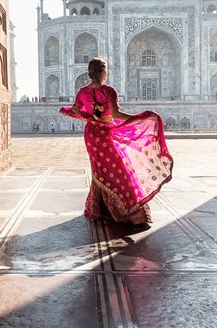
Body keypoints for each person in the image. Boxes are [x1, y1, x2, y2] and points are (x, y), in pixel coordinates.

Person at [59, 57, 173, 226]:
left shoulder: (82, 92)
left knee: (101, 171)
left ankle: (100, 209)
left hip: (92, 135)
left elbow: (76, 111)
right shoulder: (108, 90)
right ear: (104, 72)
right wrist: (138, 118)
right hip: (105, 132)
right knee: (118, 168)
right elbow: (116, 115)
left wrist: (89, 118)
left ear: (90, 73)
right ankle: (127, 210)